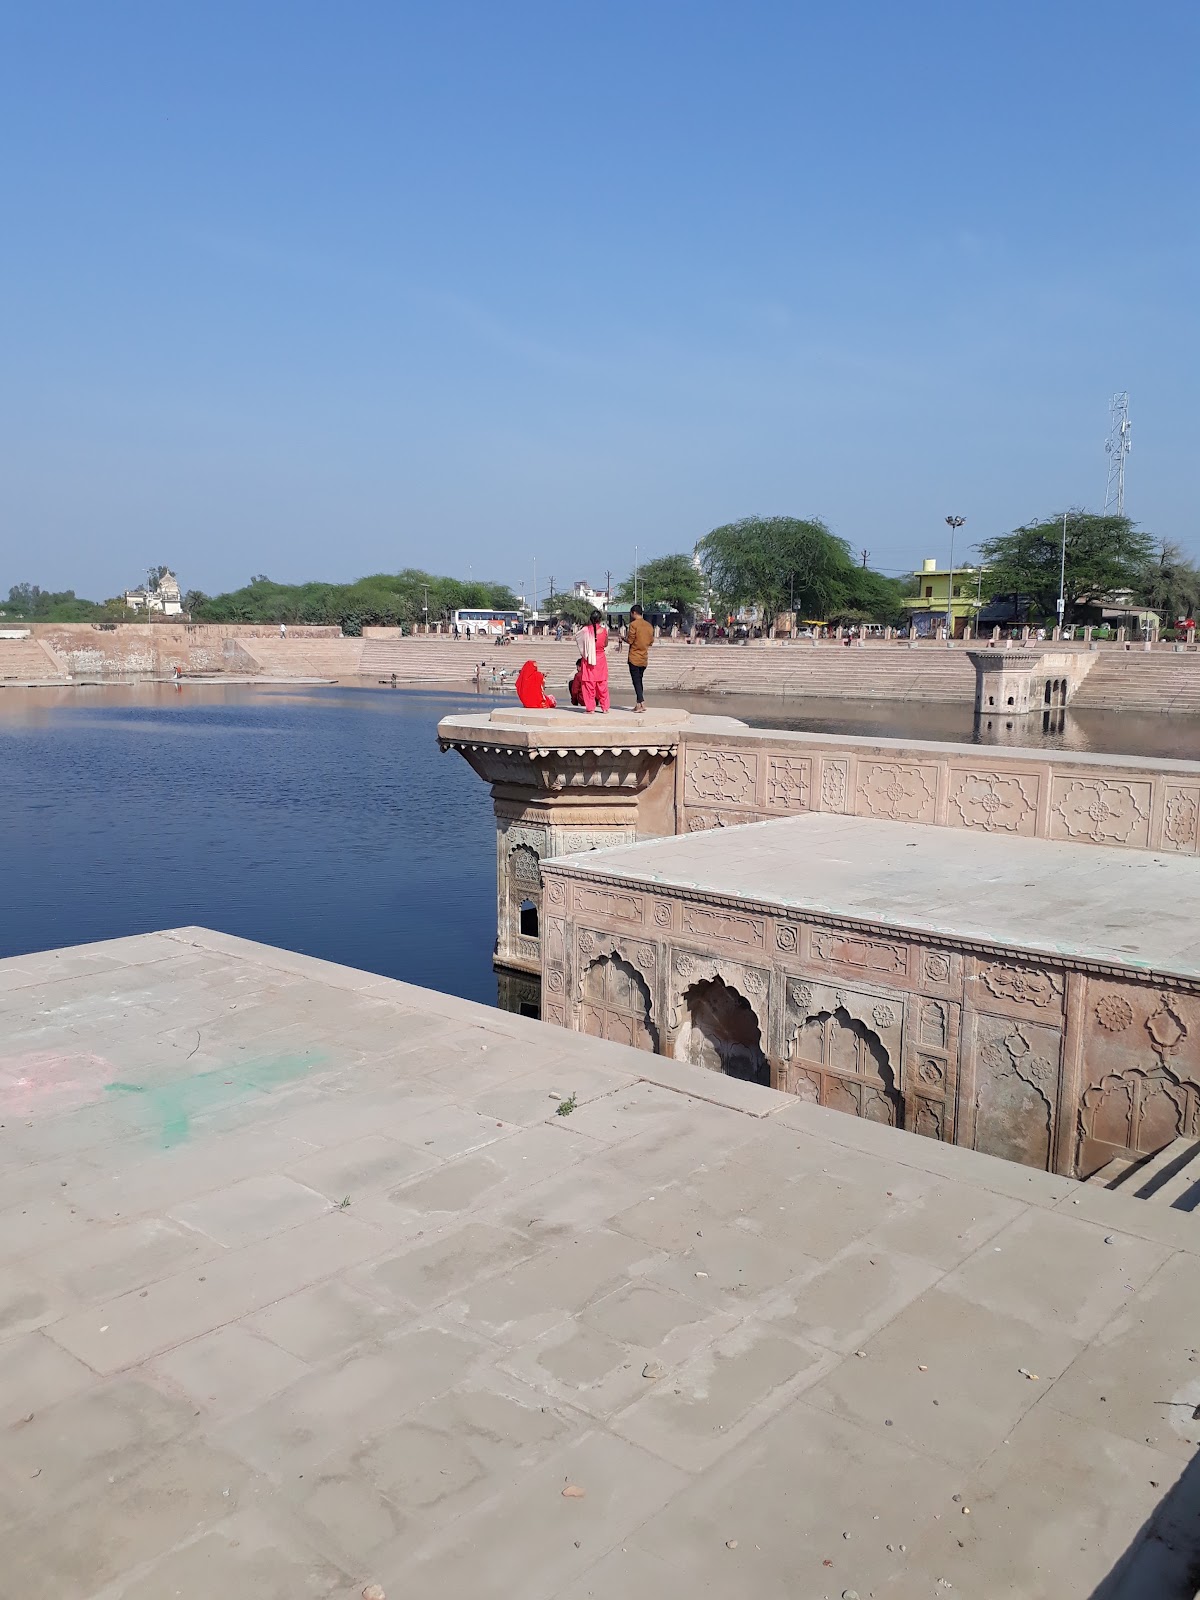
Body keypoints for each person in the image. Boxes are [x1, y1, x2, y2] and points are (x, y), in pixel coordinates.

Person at [574, 610, 609, 713]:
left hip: (589, 660)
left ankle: (590, 708)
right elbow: (605, 644)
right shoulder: (604, 631)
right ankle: (605, 707)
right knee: (602, 684)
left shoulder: (585, 630)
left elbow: (577, 638)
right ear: (600, 620)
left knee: (589, 685)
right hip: (600, 660)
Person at [626, 603, 654, 713]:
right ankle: (638, 704)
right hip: (644, 657)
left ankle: (642, 702)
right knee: (639, 681)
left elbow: (630, 640)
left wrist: (623, 638)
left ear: (634, 613)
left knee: (636, 681)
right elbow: (651, 641)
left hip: (634, 657)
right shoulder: (649, 626)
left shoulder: (633, 625)